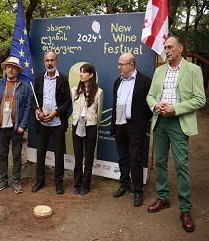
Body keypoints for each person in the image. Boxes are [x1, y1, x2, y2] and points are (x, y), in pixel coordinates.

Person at [146, 36, 205, 232]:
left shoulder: (194, 70)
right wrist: (156, 105)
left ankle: (186, 210)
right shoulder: (159, 70)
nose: (167, 50)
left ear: (180, 48)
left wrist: (174, 108)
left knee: (181, 165)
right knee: (160, 162)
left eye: (170, 47)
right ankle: (163, 198)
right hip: (160, 122)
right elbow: (150, 95)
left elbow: (199, 99)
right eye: (165, 47)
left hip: (179, 123)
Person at [110, 53, 152, 207]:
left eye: (121, 64)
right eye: (118, 64)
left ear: (131, 65)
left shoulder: (145, 81)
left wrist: (140, 121)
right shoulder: (117, 82)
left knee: (135, 159)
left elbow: (149, 106)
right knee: (123, 157)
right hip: (119, 124)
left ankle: (138, 191)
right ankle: (124, 185)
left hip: (135, 126)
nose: (118, 67)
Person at [31, 51, 71, 194]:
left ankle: (58, 183)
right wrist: (36, 110)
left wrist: (55, 112)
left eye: (52, 60)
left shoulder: (63, 79)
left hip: (57, 123)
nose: (50, 63)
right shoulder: (39, 79)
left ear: (57, 62)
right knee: (40, 153)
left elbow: (68, 102)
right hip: (42, 124)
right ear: (44, 62)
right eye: (47, 60)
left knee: (59, 154)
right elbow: (34, 100)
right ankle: (40, 181)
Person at [0, 56, 31, 194]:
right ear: (6, 69)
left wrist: (22, 126)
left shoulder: (24, 86)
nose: (11, 69)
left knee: (16, 156)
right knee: (2, 155)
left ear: (17, 70)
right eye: (9, 67)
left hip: (16, 128)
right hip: (1, 127)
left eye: (13, 67)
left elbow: (27, 108)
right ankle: (3, 180)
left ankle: (16, 181)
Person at [71, 63, 103, 195]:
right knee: (78, 156)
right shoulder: (74, 90)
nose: (81, 74)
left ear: (91, 75)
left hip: (90, 126)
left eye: (84, 72)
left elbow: (99, 112)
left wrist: (95, 125)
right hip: (77, 124)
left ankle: (86, 185)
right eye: (80, 72)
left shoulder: (99, 92)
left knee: (89, 156)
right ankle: (77, 184)